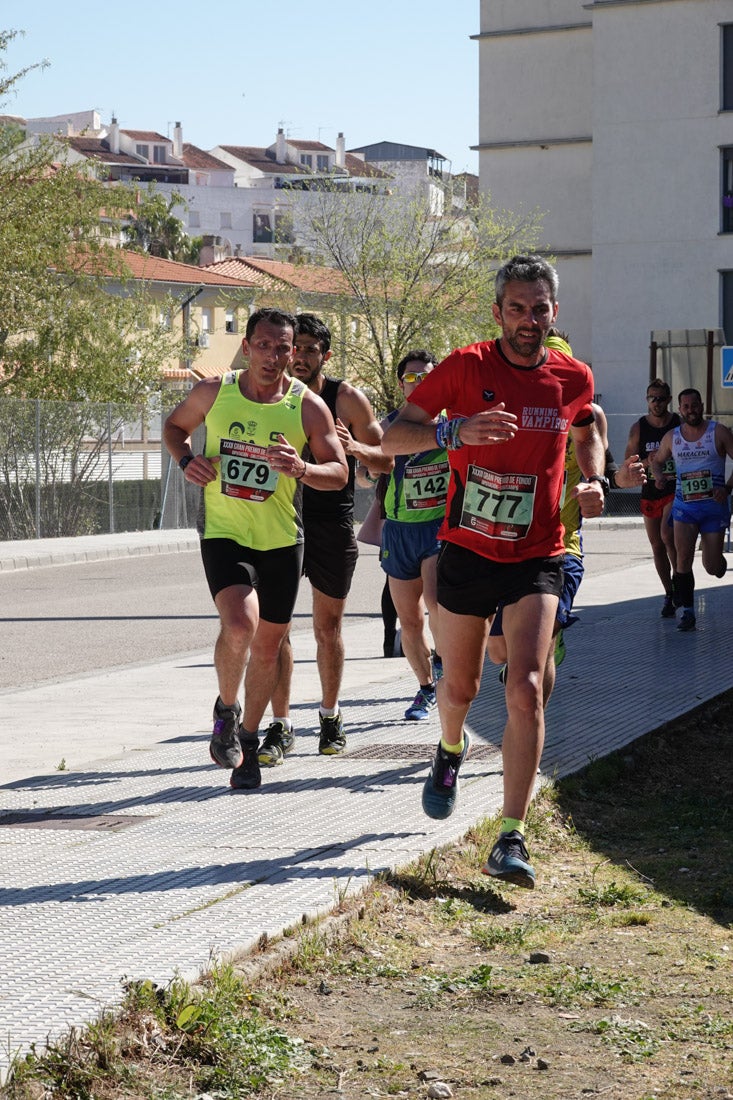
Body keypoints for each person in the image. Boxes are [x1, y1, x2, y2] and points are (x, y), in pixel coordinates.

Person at [381, 254, 607, 889]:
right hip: (467, 551)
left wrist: (594, 480)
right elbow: (393, 435)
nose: (528, 320)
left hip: (538, 554)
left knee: (528, 687)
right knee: (458, 687)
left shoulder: (571, 376)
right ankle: (449, 751)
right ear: (498, 312)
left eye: (539, 309)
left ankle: (510, 834)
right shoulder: (465, 368)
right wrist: (455, 431)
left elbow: (588, 429)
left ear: (553, 312)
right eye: (517, 308)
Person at [162, 307, 348, 790]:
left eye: (282, 348)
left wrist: (302, 469)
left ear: (293, 353)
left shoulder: (307, 406)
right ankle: (227, 707)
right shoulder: (214, 391)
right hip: (224, 531)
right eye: (263, 346)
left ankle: (246, 741)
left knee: (268, 648)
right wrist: (186, 460)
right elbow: (173, 428)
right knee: (240, 623)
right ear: (246, 347)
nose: (273, 356)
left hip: (282, 539)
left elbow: (341, 473)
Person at [486, 331, 644, 690]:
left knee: (538, 648)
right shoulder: (514, 409)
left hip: (562, 543)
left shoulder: (589, 414)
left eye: (560, 370)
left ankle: (534, 717)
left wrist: (611, 481)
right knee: (498, 651)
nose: (551, 380)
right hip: (510, 543)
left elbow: (602, 471)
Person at [266, 313, 391, 762]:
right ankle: (279, 726)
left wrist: (356, 449)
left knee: (327, 628)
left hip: (331, 523)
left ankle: (330, 716)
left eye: (308, 350)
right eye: (292, 348)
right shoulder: (268, 394)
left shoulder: (347, 399)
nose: (297, 357)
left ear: (326, 354)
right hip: (277, 519)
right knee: (275, 628)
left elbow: (387, 462)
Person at [375, 350, 446, 720]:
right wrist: (361, 457)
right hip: (400, 530)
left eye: (427, 378)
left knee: (436, 605)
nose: (420, 385)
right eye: (412, 379)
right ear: (401, 384)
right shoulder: (388, 426)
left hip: (439, 528)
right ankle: (425, 688)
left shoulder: (454, 424)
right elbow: (372, 466)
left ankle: (446, 662)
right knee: (410, 620)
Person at [651, 387, 733, 632]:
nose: (691, 410)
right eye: (686, 407)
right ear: (680, 410)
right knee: (683, 557)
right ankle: (686, 611)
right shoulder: (672, 437)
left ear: (702, 406)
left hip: (714, 508)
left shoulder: (717, 432)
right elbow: (656, 460)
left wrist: (727, 488)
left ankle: (718, 564)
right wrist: (659, 478)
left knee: (711, 567)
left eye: (694, 405)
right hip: (685, 508)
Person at [624, 379, 680, 617]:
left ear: (668, 399)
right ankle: (669, 592)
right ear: (647, 400)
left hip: (674, 488)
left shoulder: (678, 423)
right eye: (651, 398)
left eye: (660, 398)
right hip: (649, 491)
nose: (656, 403)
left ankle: (681, 583)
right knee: (657, 545)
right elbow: (629, 460)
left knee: (668, 537)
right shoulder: (639, 427)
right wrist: (650, 460)